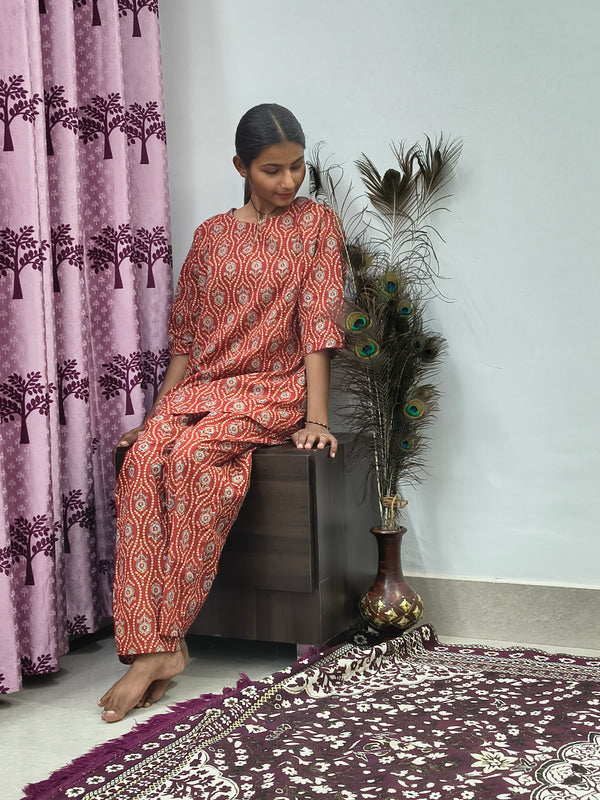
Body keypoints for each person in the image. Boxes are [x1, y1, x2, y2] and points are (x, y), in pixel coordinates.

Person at [98, 103, 345, 722]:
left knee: (195, 461)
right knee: (146, 460)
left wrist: (316, 419)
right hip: (208, 387)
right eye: (272, 170)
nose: (289, 182)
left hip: (275, 388)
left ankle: (159, 647)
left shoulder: (318, 228)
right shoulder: (211, 237)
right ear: (240, 166)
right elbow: (185, 339)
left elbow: (318, 331)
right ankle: (151, 645)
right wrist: (158, 416)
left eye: (297, 167)